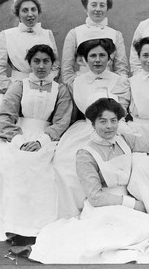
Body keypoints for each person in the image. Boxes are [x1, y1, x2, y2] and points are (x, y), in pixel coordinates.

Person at [28, 98, 149, 264]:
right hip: (102, 207)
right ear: (93, 124)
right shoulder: (85, 154)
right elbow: (95, 197)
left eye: (113, 121)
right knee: (127, 235)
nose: (109, 126)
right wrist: (132, 204)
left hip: (128, 203)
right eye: (103, 121)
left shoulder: (124, 140)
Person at [0, 45, 72, 245]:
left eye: (46, 61)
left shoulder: (61, 90)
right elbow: (5, 118)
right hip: (18, 137)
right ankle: (15, 227)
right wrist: (20, 142)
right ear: (29, 64)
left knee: (44, 169)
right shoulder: (18, 86)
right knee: (17, 164)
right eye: (36, 61)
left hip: (47, 139)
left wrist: (41, 141)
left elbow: (61, 122)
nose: (41, 66)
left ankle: (39, 227)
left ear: (52, 64)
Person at [52, 38, 130, 220]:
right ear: (85, 60)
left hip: (114, 129)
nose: (97, 60)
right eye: (92, 56)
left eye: (102, 55)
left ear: (110, 58)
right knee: (64, 164)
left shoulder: (121, 81)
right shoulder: (78, 82)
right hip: (85, 130)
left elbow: (122, 111)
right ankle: (72, 214)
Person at [0, 0, 60, 111]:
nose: (30, 14)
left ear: (38, 11)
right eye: (24, 10)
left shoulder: (47, 34)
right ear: (18, 14)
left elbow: (55, 67)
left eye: (33, 9)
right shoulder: (6, 36)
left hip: (44, 93)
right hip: (15, 94)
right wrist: (20, 89)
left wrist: (44, 85)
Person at [61, 0, 128, 90]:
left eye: (102, 5)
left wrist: (116, 88)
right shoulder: (74, 33)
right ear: (85, 8)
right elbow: (67, 70)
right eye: (93, 5)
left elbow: (121, 68)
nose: (98, 9)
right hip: (81, 87)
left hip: (109, 88)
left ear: (107, 8)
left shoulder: (116, 35)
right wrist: (77, 89)